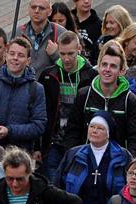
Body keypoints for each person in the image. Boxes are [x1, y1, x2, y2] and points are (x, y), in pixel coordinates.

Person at [64, 42, 136, 155]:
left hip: (116, 162)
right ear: (99, 67)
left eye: (113, 66)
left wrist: (126, 162)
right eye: (104, 64)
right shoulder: (84, 95)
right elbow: (72, 131)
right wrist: (74, 157)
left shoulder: (130, 100)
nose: (107, 69)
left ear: (122, 71)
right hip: (86, 159)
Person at [38, 31, 97, 182]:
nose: (66, 58)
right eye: (62, 53)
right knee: (52, 186)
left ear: (79, 49)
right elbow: (41, 112)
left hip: (79, 141)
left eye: (70, 53)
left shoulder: (91, 76)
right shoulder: (49, 75)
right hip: (53, 141)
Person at [0, 36, 48, 156]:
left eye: (21, 55)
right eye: (12, 54)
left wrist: (9, 131)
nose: (15, 58)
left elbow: (38, 126)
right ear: (6, 55)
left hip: (20, 155)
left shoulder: (36, 89)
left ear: (28, 61)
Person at [16, 0, 73, 75]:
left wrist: (55, 54)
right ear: (28, 9)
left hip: (50, 84)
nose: (36, 11)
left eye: (41, 8)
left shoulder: (61, 33)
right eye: (33, 7)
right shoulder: (18, 32)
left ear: (50, 12)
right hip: (23, 85)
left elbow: (72, 66)